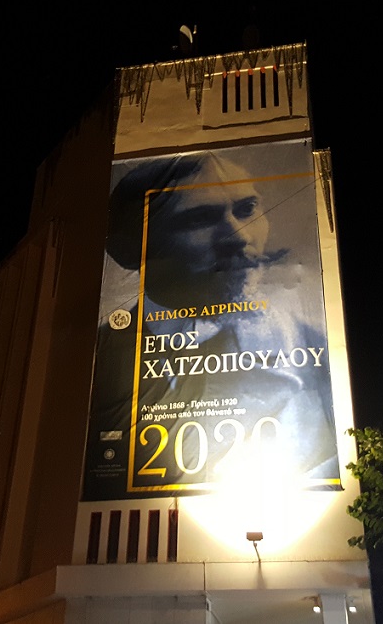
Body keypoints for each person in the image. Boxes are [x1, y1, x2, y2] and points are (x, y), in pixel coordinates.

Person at [83, 147, 339, 500]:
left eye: (246, 209)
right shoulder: (95, 362)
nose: (239, 236)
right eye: (199, 219)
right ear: (133, 247)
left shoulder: (316, 350)